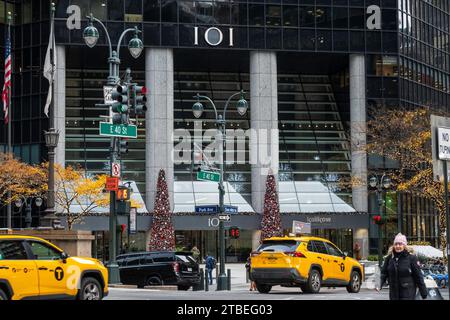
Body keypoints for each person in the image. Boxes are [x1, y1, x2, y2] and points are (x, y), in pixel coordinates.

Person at [376, 233, 428, 300]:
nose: (398, 246)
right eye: (396, 244)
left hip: (408, 293)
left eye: (400, 244)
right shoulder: (389, 258)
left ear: (404, 245)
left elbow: (418, 276)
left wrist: (423, 292)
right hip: (393, 294)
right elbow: (383, 273)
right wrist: (379, 284)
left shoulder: (411, 258)